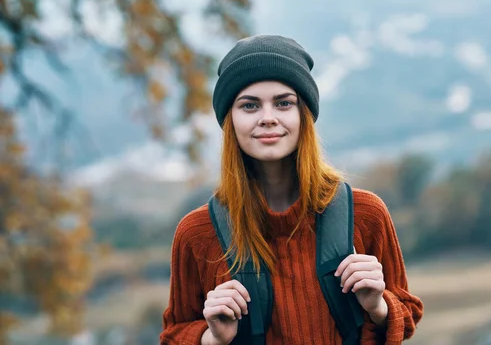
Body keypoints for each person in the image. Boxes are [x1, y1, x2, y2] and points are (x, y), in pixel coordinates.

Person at [160, 34, 423, 344]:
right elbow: (174, 335)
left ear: (304, 115)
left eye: (284, 103)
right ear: (230, 119)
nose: (268, 118)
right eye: (249, 105)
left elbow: (406, 314)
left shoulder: (365, 215)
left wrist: (378, 305)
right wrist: (212, 338)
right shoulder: (197, 234)